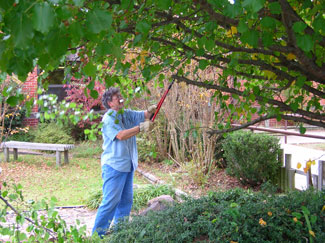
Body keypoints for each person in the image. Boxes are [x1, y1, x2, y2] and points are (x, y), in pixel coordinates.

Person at [92, 87, 157, 237]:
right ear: (110, 103)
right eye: (117, 97)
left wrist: (151, 110)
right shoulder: (109, 119)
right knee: (110, 202)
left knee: (126, 201)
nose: (121, 98)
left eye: (121, 95)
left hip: (128, 165)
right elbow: (121, 135)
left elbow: (144, 115)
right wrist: (141, 128)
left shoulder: (125, 113)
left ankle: (120, 234)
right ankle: (96, 236)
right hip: (114, 166)